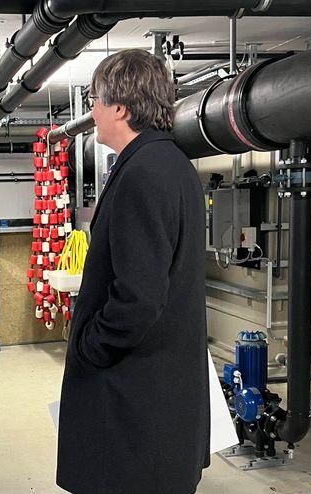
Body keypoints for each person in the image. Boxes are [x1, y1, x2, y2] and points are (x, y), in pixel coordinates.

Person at [56, 49, 210, 494]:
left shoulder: (143, 173)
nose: (92, 111)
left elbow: (138, 297)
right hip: (160, 392)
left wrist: (91, 345)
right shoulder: (170, 164)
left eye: (95, 100)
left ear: (120, 107)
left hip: (136, 396)